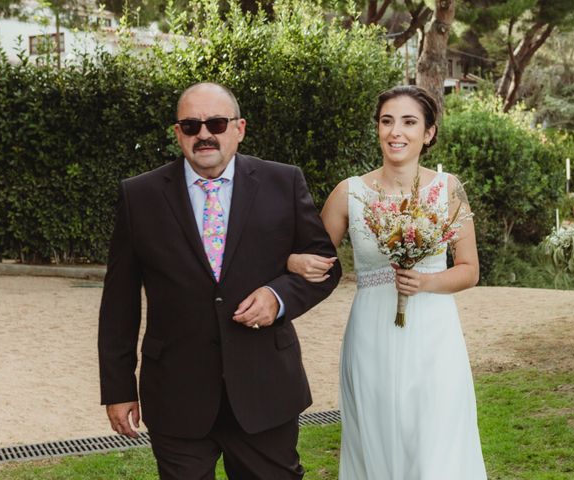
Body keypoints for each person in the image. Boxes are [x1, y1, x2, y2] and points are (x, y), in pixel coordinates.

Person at [98, 82, 341, 480]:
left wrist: (277, 297)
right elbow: (118, 303)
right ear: (178, 133)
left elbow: (325, 266)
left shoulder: (283, 182)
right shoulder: (138, 196)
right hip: (176, 391)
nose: (204, 134)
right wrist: (119, 388)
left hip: (265, 388)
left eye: (216, 122)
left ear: (239, 128)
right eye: (191, 125)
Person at [288, 85, 487, 479]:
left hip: (434, 333)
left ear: (428, 133)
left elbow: (469, 269)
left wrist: (425, 283)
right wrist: (293, 260)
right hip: (371, 332)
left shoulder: (449, 189)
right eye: (387, 121)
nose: (396, 131)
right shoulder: (350, 193)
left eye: (409, 122)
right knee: (376, 438)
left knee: (436, 439)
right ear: (378, 128)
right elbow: (316, 257)